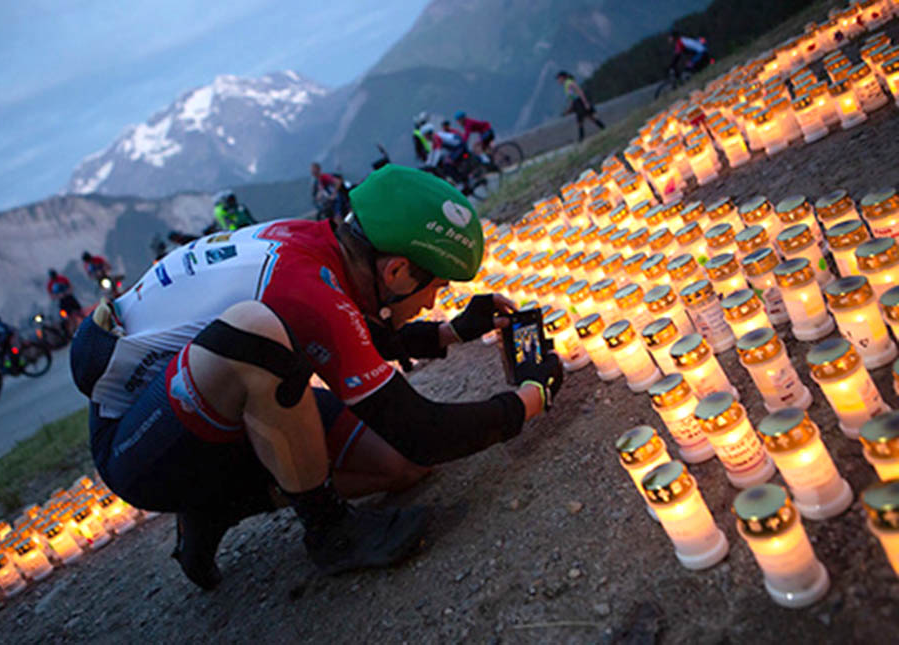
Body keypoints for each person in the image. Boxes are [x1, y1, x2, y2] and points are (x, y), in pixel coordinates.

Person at [69, 165, 563, 590]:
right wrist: (531, 397)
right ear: (396, 273)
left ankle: (218, 507)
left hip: (216, 401)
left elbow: (347, 331)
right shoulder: (302, 283)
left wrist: (449, 333)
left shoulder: (318, 245)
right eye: (434, 288)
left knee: (401, 467)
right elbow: (421, 430)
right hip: (140, 445)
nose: (433, 302)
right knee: (255, 332)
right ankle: (329, 532)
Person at [555, 71, 605, 142]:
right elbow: (571, 98)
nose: (558, 81)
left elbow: (579, 91)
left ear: (562, 77)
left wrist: (585, 102)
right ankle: (601, 128)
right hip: (577, 104)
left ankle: (582, 137)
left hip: (580, 102)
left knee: (585, 119)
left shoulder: (569, 83)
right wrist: (569, 109)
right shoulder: (566, 85)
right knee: (586, 118)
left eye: (558, 79)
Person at [423, 122, 469, 188]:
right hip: (456, 147)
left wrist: (432, 165)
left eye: (425, 135)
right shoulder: (435, 138)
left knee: (447, 163)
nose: (425, 138)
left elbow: (437, 152)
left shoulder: (436, 137)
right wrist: (427, 165)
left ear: (428, 134)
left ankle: (460, 183)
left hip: (460, 145)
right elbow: (432, 153)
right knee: (445, 161)